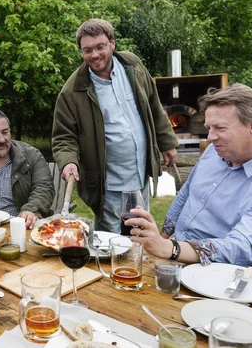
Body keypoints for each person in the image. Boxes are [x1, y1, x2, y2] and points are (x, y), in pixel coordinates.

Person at [127, 84, 252, 273]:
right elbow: (185, 195)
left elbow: (241, 248)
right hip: (174, 261)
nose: (210, 137)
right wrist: (159, 243)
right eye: (209, 128)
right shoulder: (215, 151)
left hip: (223, 278)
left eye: (220, 128)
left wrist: (170, 248)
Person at [52, 18, 178, 233]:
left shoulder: (133, 66)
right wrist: (68, 161)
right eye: (87, 50)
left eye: (100, 47)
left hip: (139, 173)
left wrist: (167, 142)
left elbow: (153, 104)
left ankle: (136, 264)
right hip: (107, 183)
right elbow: (64, 137)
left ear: (112, 43)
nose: (95, 55)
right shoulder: (72, 90)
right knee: (110, 239)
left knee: (140, 231)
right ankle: (109, 266)